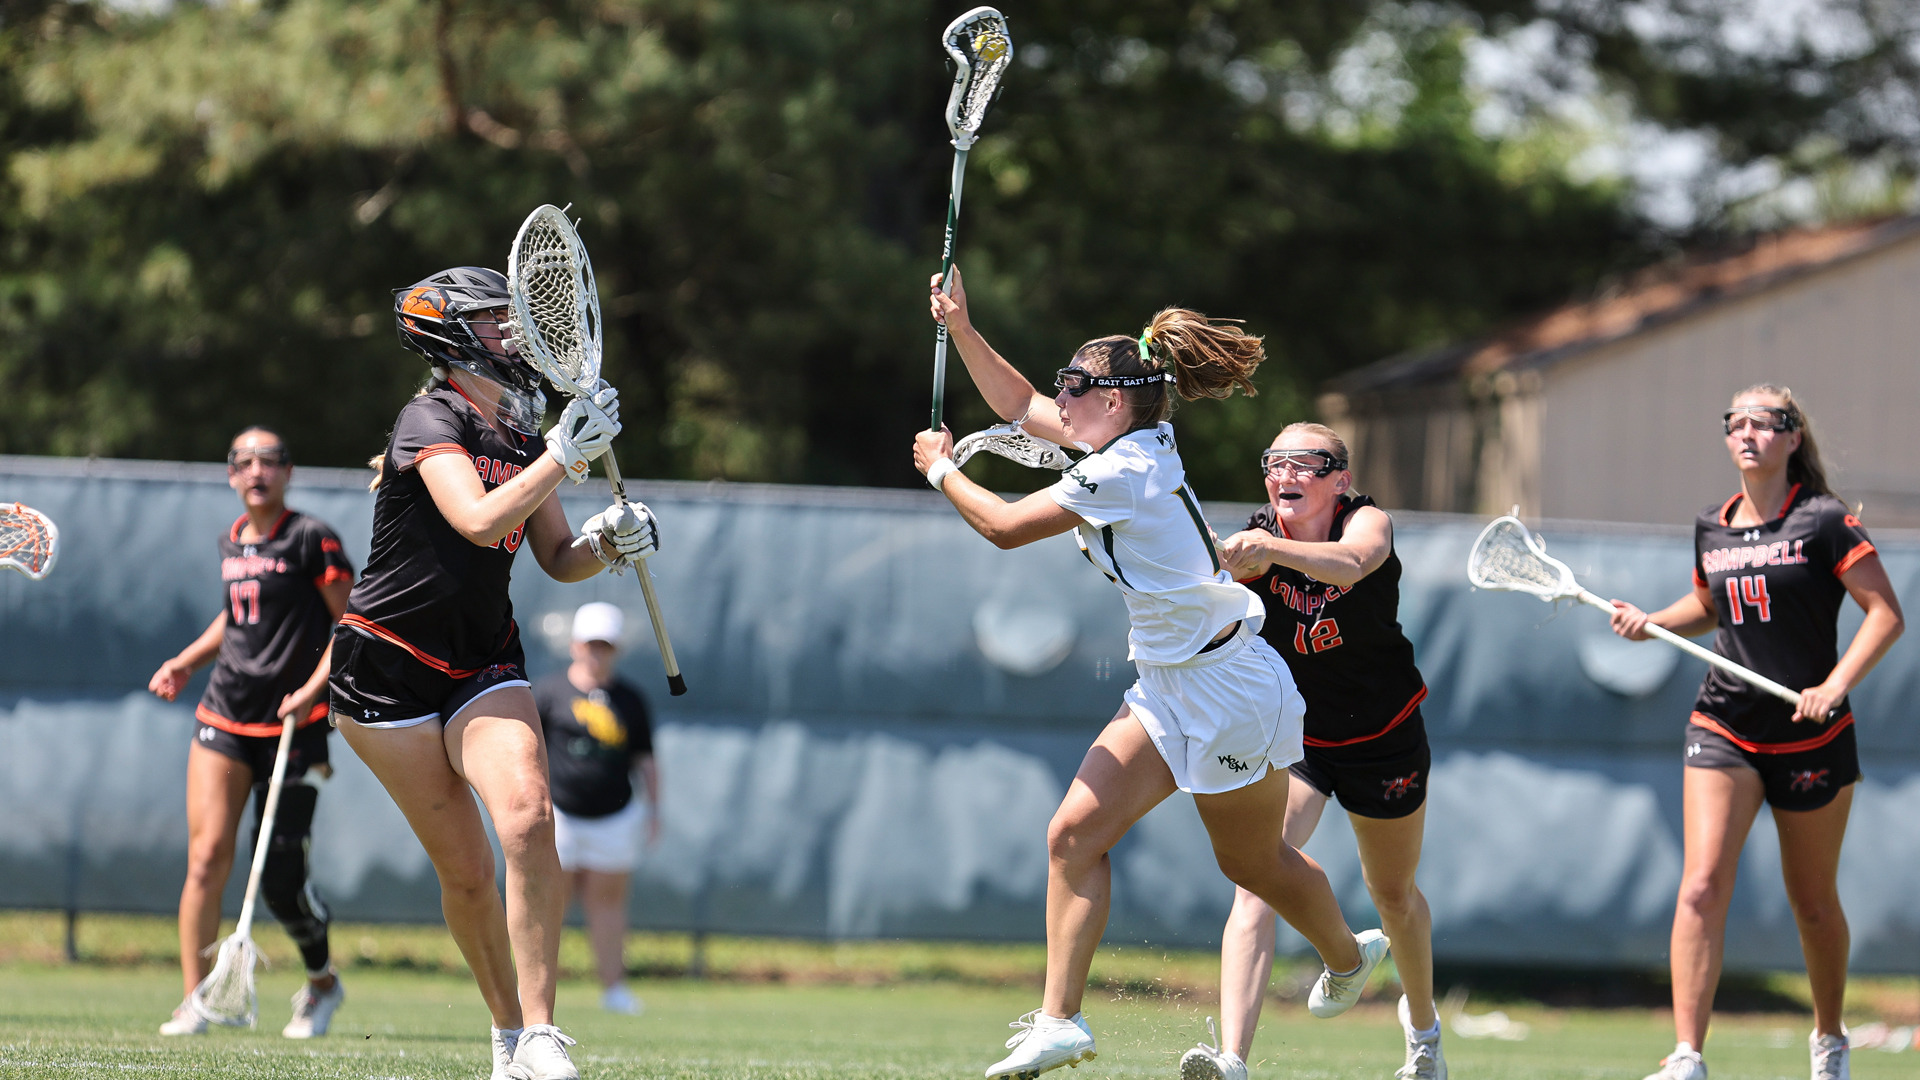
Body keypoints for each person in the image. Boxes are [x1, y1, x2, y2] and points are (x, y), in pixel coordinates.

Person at [914, 267, 1386, 1080]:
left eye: (1075, 385)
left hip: (1229, 690)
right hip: (1167, 684)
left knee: (1251, 866)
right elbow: (1016, 402)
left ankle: (1348, 954)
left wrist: (941, 469)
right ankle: (1060, 1019)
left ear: (1115, 399)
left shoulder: (1120, 470)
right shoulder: (1121, 440)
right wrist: (960, 327)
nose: (1059, 397)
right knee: (1072, 836)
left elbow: (1001, 527)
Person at [329, 266, 658, 1080]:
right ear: (448, 335)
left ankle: (543, 1033)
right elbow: (479, 522)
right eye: (495, 320)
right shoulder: (427, 417)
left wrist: (612, 541)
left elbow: (554, 555)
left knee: (527, 815)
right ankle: (507, 1031)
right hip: (386, 670)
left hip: (483, 659)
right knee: (469, 873)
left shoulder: (520, 429)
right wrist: (561, 456)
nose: (516, 332)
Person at [1607, 385, 1903, 1080]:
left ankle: (1829, 1040)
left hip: (1810, 733)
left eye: (1764, 424)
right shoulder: (1713, 524)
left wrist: (1834, 686)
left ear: (1792, 437)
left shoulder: (1824, 521)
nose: (1748, 434)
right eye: (1736, 424)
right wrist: (1653, 623)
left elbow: (1885, 613)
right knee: (1702, 885)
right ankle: (1687, 1055)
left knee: (1813, 903)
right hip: (1725, 722)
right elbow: (1712, 605)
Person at [1174, 422, 1442, 1080]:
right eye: (1276, 462)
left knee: (1394, 895)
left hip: (1383, 738)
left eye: (1309, 463)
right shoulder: (1256, 535)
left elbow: (1353, 564)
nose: (1288, 473)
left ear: (1340, 479)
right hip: (1299, 739)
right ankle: (1232, 1060)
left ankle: (1425, 1034)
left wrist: (1267, 552)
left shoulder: (1365, 522)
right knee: (1257, 876)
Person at [146, 427, 354, 1039]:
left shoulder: (312, 538)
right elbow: (237, 615)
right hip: (224, 716)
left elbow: (350, 623)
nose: (257, 470)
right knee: (207, 857)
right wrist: (186, 661)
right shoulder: (232, 541)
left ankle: (321, 984)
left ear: (288, 472)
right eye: (244, 461)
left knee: (283, 878)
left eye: (270, 460)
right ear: (230, 475)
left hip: (296, 723)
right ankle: (195, 999)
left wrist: (314, 691)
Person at [534, 601, 660, 1017]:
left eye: (605, 645)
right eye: (590, 644)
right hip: (562, 816)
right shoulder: (549, 693)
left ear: (617, 649)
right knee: (550, 902)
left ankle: (614, 990)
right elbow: (528, 754)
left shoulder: (632, 700)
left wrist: (654, 810)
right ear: (574, 645)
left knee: (607, 904)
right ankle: (536, 994)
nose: (597, 652)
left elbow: (645, 760)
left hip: (616, 816)